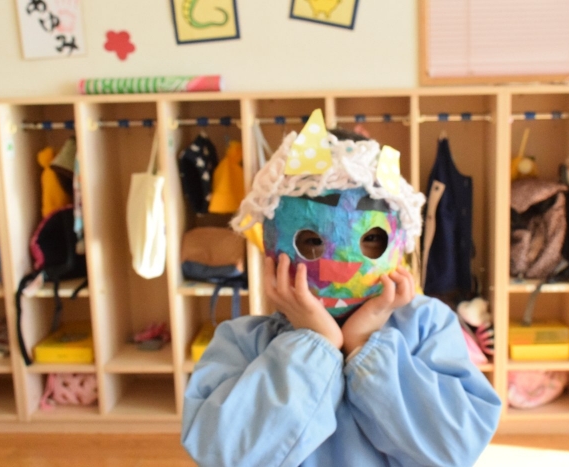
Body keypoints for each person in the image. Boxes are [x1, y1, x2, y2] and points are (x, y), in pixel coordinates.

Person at [181, 110, 501, 467]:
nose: (340, 268)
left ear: (399, 246)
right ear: (271, 250)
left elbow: (454, 447)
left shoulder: (428, 326)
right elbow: (225, 454)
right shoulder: (242, 343)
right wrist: (314, 343)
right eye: (311, 241)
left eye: (372, 240)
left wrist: (363, 345)